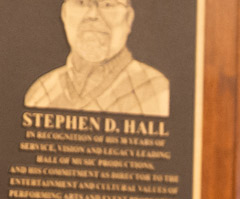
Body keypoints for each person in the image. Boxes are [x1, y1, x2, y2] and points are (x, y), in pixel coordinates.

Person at [24, 0, 169, 116]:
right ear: (64, 14)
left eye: (107, 4)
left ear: (128, 18)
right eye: (81, 3)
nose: (92, 14)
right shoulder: (40, 93)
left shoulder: (157, 90)